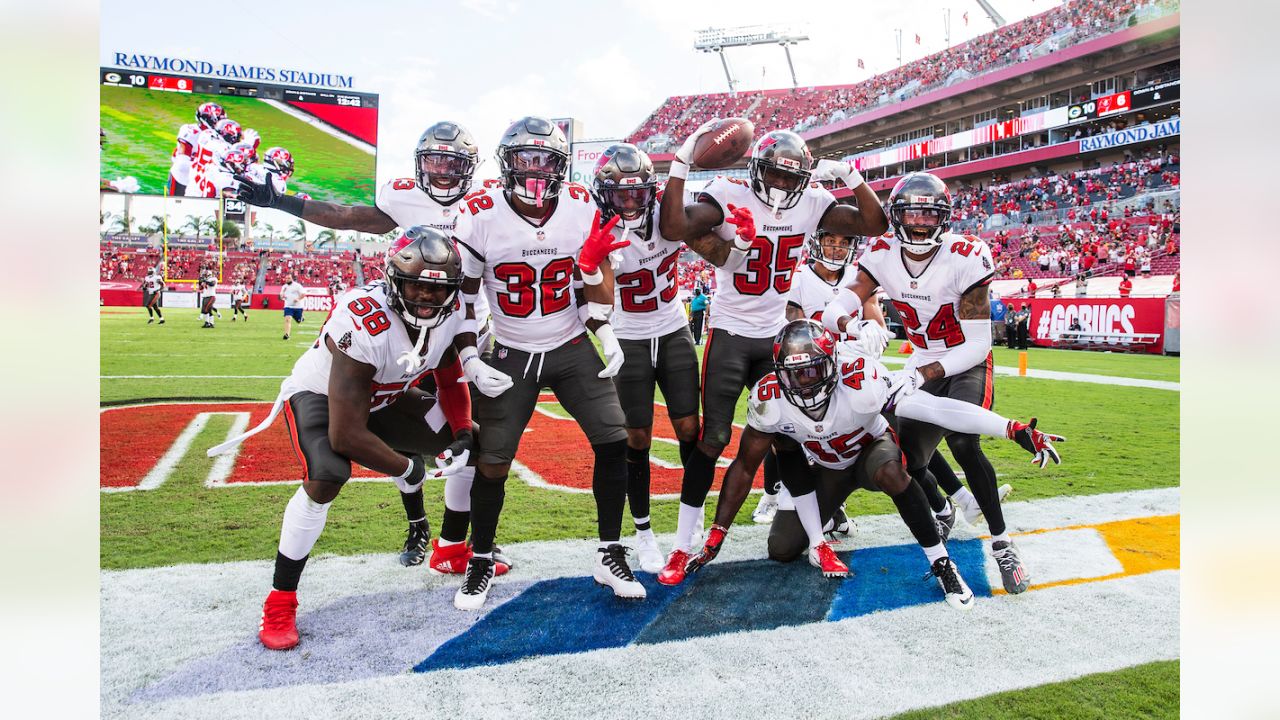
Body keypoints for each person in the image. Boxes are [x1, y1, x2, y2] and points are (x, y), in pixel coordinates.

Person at [237, 121, 498, 571]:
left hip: (460, 318)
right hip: (401, 318)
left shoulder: (490, 202)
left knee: (471, 439)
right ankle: (415, 523)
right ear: (418, 163)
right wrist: (282, 201)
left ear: (470, 169)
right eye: (433, 160)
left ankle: (452, 546)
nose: (440, 171)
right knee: (359, 450)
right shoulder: (401, 203)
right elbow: (346, 216)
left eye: (451, 162)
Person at [209, 227, 487, 650]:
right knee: (327, 474)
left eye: (437, 289)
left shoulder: (450, 316)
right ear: (395, 280)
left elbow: (449, 380)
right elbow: (347, 433)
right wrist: (408, 465)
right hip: (323, 396)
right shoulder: (362, 315)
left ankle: (449, 550)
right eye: (416, 285)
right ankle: (280, 600)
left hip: (386, 397)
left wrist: (463, 431)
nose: (426, 298)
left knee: (478, 446)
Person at [681, 320, 1063, 609]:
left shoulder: (861, 380)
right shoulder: (769, 399)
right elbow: (745, 467)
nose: (804, 384)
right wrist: (717, 533)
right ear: (778, 373)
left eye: (812, 371)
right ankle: (831, 518)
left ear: (833, 364)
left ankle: (942, 563)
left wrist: (1010, 429)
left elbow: (933, 407)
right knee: (782, 549)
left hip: (869, 451)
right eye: (794, 374)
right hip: (826, 468)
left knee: (893, 470)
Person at [654, 123, 889, 584]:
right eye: (775, 175)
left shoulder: (814, 201)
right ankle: (682, 547)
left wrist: (851, 176)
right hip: (730, 332)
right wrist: (682, 162)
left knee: (789, 439)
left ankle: (819, 543)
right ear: (758, 169)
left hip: (777, 336)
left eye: (790, 177)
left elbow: (875, 223)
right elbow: (673, 225)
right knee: (714, 439)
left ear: (803, 178)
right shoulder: (727, 191)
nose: (781, 185)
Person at [451, 116, 642, 609]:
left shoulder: (581, 207)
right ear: (506, 164)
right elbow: (467, 298)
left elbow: (593, 289)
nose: (536, 169)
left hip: (570, 343)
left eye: (546, 160)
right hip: (511, 350)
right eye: (526, 159)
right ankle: (481, 556)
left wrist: (605, 329)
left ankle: (609, 550)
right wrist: (470, 356)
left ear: (561, 166)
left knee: (615, 441)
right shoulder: (480, 213)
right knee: (492, 462)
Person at [825, 171, 1033, 594]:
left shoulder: (967, 255)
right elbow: (837, 306)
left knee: (962, 440)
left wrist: (922, 374)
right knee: (906, 457)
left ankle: (1001, 541)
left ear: (944, 217)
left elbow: (977, 344)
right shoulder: (881, 252)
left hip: (964, 361)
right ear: (896, 216)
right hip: (921, 358)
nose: (919, 223)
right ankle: (942, 518)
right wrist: (851, 323)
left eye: (928, 214)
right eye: (911, 214)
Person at [592, 143, 700, 573]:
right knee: (636, 439)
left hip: (673, 329)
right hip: (629, 336)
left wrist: (740, 240)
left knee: (690, 428)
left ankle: (692, 519)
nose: (632, 202)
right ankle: (643, 533)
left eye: (639, 193)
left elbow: (711, 232)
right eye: (621, 194)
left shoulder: (668, 216)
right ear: (605, 195)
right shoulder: (596, 227)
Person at [168, 102, 224, 196]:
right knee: (174, 206)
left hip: (200, 180)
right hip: (182, 178)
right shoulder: (190, 131)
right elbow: (182, 164)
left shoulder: (218, 136)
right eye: (218, 120)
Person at [281, 274, 304, 340]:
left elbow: (303, 294)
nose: (287, 279)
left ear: (292, 279)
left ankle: (301, 318)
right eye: (286, 278)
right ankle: (286, 334)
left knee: (299, 321)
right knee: (287, 319)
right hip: (288, 306)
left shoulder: (297, 286)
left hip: (297, 307)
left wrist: (298, 299)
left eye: (289, 278)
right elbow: (281, 295)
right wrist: (282, 296)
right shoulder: (284, 287)